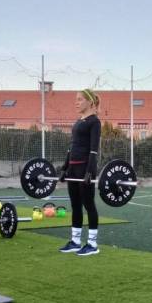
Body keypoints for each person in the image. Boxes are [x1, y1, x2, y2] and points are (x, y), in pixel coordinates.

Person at [57, 89, 101, 256]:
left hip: (85, 168)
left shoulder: (94, 122)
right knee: (75, 205)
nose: (77, 102)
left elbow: (94, 150)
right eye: (76, 99)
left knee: (88, 205)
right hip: (73, 169)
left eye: (80, 99)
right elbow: (71, 147)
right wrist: (64, 168)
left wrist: (90, 171)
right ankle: (75, 242)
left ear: (90, 102)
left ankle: (92, 244)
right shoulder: (77, 122)